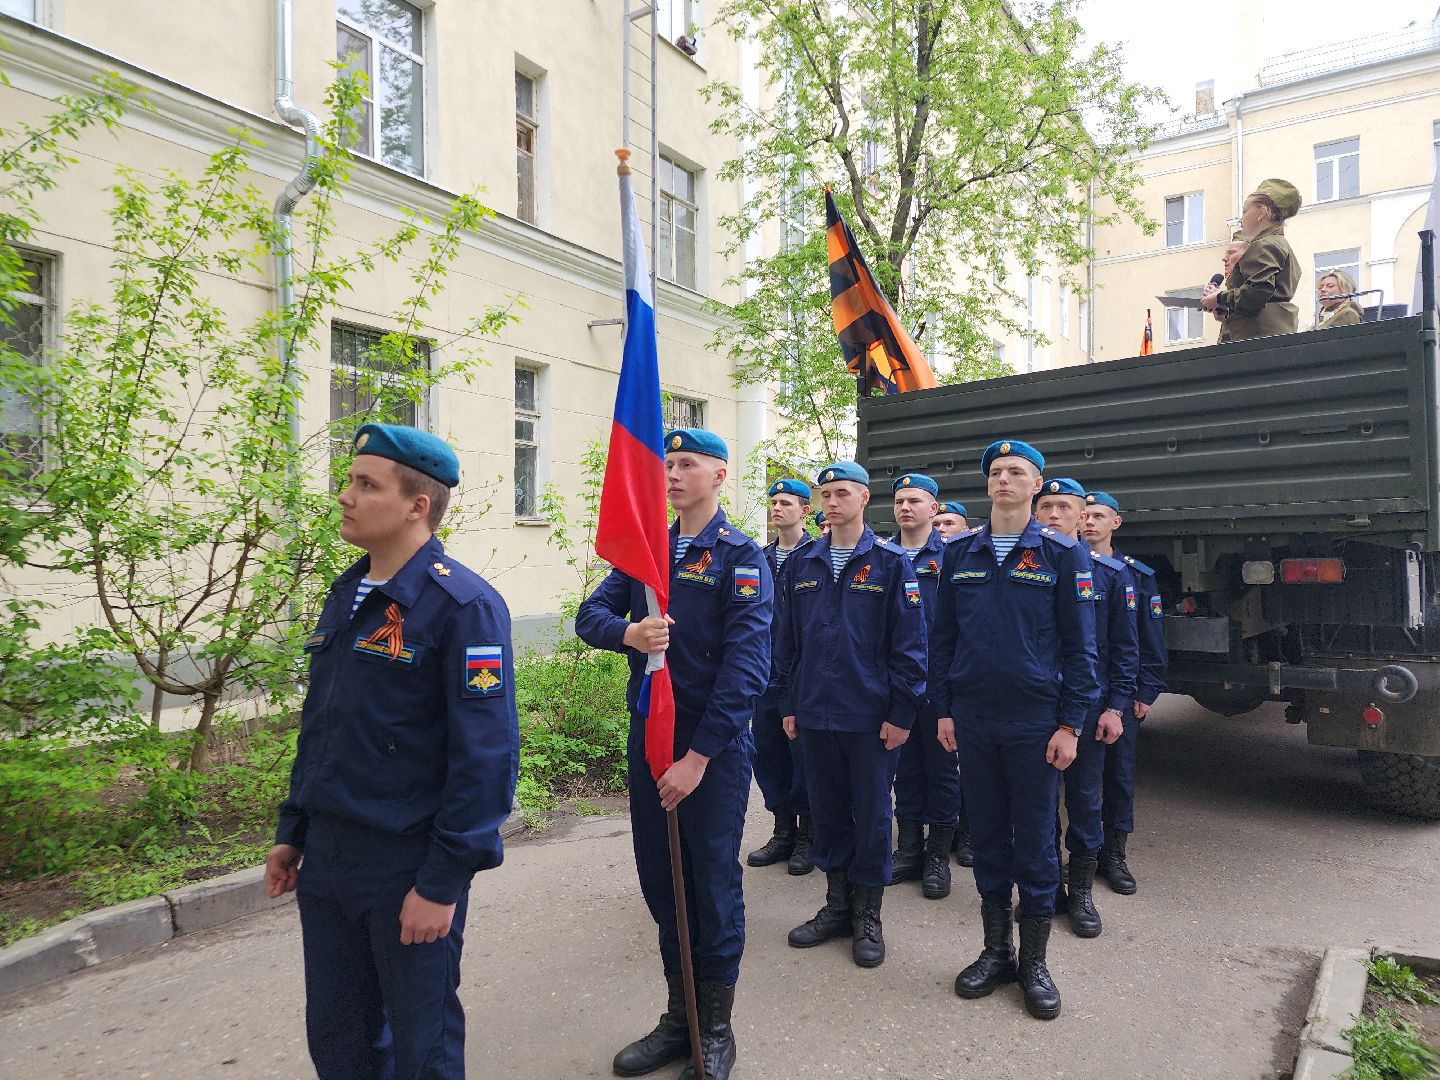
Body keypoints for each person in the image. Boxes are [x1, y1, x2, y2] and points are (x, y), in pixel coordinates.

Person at [265, 422, 520, 1080]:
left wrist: (440, 884)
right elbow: (323, 724)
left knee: (421, 1045)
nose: (345, 496)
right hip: (327, 863)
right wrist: (293, 829)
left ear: (417, 506)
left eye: (365, 484)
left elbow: (486, 760)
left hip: (406, 867)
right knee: (339, 1039)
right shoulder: (347, 594)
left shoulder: (463, 608)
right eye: (350, 481)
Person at [575, 428, 771, 1080]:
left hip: (707, 749)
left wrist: (698, 759)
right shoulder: (646, 552)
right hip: (649, 738)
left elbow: (746, 670)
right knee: (663, 881)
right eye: (669, 464)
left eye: (689, 463)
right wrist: (629, 630)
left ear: (719, 476)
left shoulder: (740, 556)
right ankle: (677, 1017)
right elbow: (587, 616)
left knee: (710, 885)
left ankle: (715, 1029)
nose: (675, 473)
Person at [931, 440, 1099, 1021]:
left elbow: (1082, 649)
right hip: (974, 719)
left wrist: (1071, 723)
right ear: (988, 484)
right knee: (987, 839)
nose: (1004, 479)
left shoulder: (1062, 555)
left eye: (1016, 472)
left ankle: (1034, 962)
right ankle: (996, 951)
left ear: (1036, 485)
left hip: (1035, 722)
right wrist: (945, 709)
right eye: (996, 472)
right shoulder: (959, 552)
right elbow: (943, 638)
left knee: (1034, 840)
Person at [775, 461, 928, 969]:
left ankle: (868, 914)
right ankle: (837, 905)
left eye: (842, 493)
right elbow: (787, 642)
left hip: (870, 716)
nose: (832, 502)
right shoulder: (803, 562)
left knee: (871, 815)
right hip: (815, 711)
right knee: (826, 811)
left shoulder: (889, 562)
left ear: (864, 499)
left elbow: (910, 645)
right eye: (826, 494)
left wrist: (903, 712)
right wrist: (790, 704)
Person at [1034, 479, 1137, 939]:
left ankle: (1080, 893)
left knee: (1084, 801)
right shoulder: (1023, 566)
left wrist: (1116, 706)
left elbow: (1123, 650)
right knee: (1036, 806)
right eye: (1046, 506)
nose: (1053, 513)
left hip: (1089, 709)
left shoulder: (1110, 576)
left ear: (1083, 517)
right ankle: (1048, 888)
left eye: (1064, 507)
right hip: (1034, 707)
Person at [1083, 491, 1168, 897]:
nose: (1089, 522)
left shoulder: (1135, 575)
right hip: (1081, 692)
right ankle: (1078, 854)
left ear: (1115, 523)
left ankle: (1113, 855)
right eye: (1084, 515)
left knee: (1117, 775)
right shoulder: (1068, 567)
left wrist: (1146, 690)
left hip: (1121, 691)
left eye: (1098, 515)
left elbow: (1147, 640)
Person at [886, 473, 965, 901]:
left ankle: (937, 855)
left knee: (942, 771)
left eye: (915, 500)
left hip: (940, 683)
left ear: (933, 509)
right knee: (905, 768)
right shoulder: (880, 556)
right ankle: (909, 849)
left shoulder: (953, 556)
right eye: (899, 500)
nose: (906, 507)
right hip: (897, 684)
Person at [748, 478, 816, 875]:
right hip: (764, 671)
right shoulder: (760, 556)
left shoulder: (817, 555)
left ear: (804, 510)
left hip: (803, 674)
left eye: (785, 503)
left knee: (803, 757)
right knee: (768, 752)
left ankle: (809, 831)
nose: (777, 509)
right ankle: (782, 830)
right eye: (773, 502)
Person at [1201, 179, 1302, 341]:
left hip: (1257, 337)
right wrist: (1224, 305)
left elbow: (1257, 292)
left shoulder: (1265, 244)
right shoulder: (1276, 243)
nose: (1241, 219)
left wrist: (1219, 298)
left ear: (1261, 212)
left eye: (1245, 212)